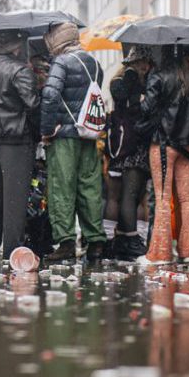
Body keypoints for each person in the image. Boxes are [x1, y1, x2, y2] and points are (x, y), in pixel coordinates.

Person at [41, 22, 106, 262]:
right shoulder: (94, 63)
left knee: (62, 188)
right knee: (89, 187)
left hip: (64, 137)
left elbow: (50, 95)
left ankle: (66, 242)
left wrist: (47, 130)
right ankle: (96, 242)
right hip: (87, 134)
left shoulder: (61, 62)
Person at [0, 30, 40, 262]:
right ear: (15, 45)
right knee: (15, 197)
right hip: (17, 139)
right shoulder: (20, 70)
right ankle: (13, 250)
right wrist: (38, 133)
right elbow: (32, 105)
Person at [136, 45, 189, 265]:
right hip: (188, 145)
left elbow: (147, 109)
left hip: (163, 143)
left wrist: (141, 99)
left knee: (163, 198)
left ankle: (160, 254)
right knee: (187, 198)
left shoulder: (159, 76)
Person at [106, 55, 151, 261]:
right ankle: (129, 238)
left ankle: (126, 237)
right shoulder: (122, 82)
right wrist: (134, 78)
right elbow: (130, 105)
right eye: (141, 62)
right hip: (128, 144)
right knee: (127, 194)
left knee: (136, 193)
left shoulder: (148, 81)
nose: (145, 65)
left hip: (132, 143)